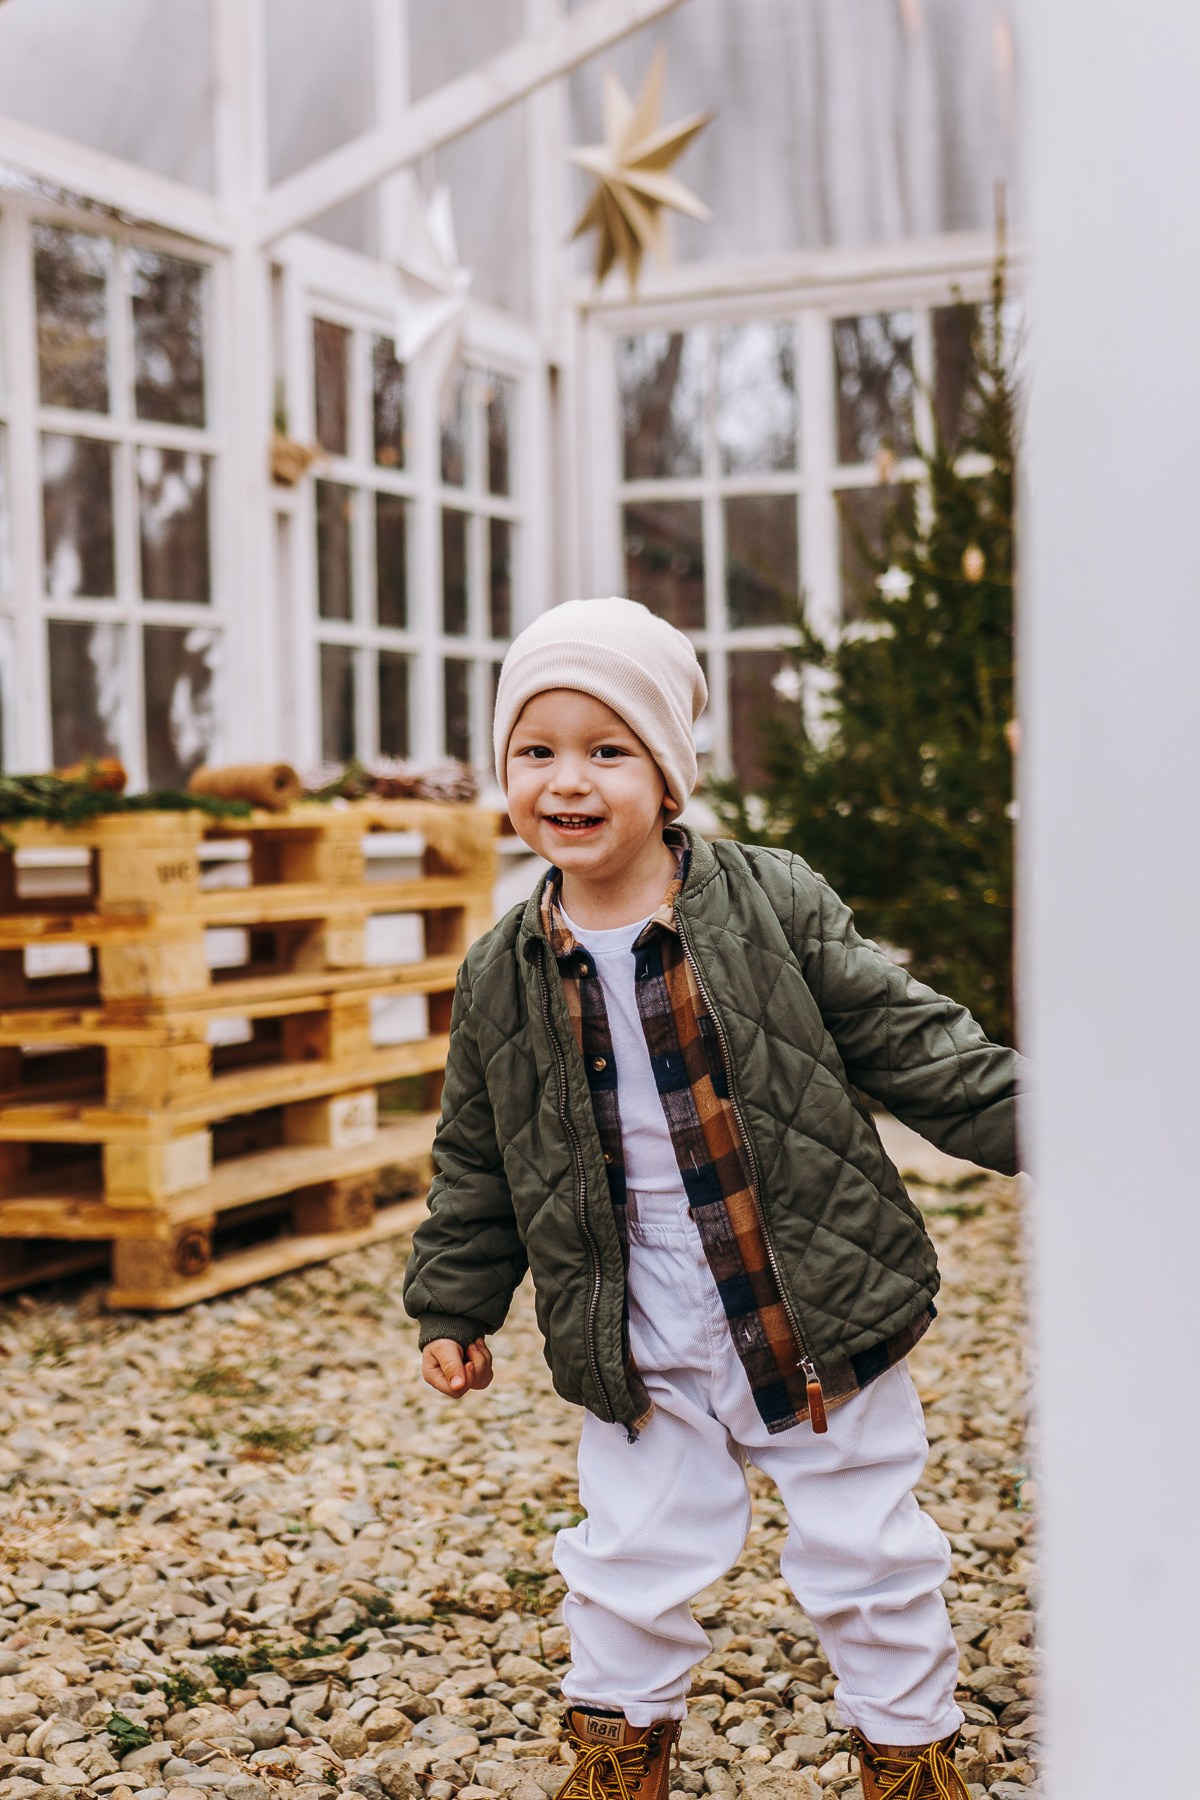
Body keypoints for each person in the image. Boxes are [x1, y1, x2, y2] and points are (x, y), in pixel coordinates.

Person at [403, 597, 1023, 1800]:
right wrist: (453, 1307)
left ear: (668, 775)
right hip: (628, 1311)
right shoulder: (500, 968)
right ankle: (618, 1757)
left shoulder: (770, 902)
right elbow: (476, 1156)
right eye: (537, 752)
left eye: (605, 749)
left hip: (808, 1290)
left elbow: (913, 1045)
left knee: (867, 1546)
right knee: (628, 1550)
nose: (566, 781)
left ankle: (907, 1753)